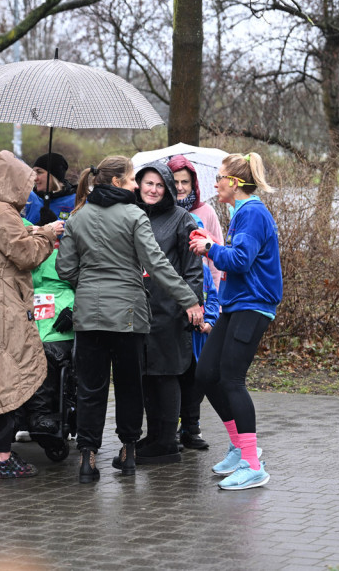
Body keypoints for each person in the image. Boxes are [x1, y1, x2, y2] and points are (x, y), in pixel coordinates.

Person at [55, 156, 204, 484]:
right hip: (129, 317)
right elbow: (159, 264)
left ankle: (88, 458)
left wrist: (92, 281)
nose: (138, 185)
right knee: (128, 387)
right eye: (133, 179)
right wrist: (190, 299)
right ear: (117, 182)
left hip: (89, 318)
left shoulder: (78, 218)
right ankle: (128, 452)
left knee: (90, 389)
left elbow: (64, 269)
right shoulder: (135, 215)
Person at [0, 151, 64, 479]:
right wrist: (47, 235)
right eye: (25, 183)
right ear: (13, 183)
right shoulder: (4, 211)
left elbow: (4, 245)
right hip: (2, 300)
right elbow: (24, 255)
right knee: (7, 377)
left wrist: (37, 229)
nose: (28, 190)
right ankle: (3, 458)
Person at [188, 152, 282, 491]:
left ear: (236, 183)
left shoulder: (253, 214)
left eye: (221, 177)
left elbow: (241, 260)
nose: (216, 183)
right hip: (235, 305)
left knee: (231, 379)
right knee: (206, 374)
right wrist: (211, 245)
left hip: (253, 306)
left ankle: (253, 465)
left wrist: (209, 246)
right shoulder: (242, 213)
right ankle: (240, 447)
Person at [133, 161, 204, 464]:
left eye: (159, 185)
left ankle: (166, 442)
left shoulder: (181, 219)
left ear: (168, 188)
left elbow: (193, 269)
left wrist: (192, 305)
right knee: (147, 374)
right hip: (139, 309)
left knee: (167, 374)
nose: (153, 190)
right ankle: (154, 435)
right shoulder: (134, 215)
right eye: (148, 183)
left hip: (171, 309)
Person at [16, 215, 75, 438]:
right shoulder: (18, 233)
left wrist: (76, 309)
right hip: (27, 316)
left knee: (46, 355)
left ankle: (40, 416)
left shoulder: (67, 254)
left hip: (59, 322)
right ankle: (25, 417)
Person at [179, 232, 220, 450]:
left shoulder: (204, 270)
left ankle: (191, 428)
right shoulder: (175, 268)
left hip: (199, 339)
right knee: (178, 383)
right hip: (179, 337)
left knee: (197, 384)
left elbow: (213, 297)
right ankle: (173, 427)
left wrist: (210, 321)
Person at [167, 154, 224, 289]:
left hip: (202, 287)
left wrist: (214, 296)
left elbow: (217, 255)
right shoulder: (161, 213)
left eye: (185, 182)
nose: (180, 187)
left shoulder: (206, 211)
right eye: (175, 182)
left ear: (193, 183)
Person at [23, 152, 76, 225]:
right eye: (33, 173)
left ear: (54, 176)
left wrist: (54, 226)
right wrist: (39, 227)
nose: (34, 178)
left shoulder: (76, 201)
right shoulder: (27, 199)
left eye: (39, 172)